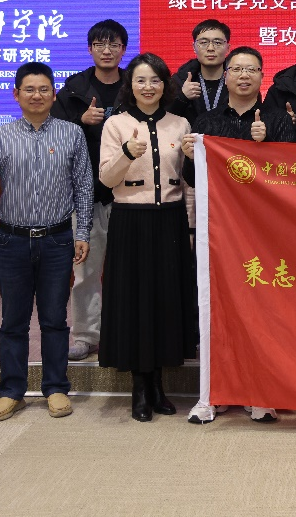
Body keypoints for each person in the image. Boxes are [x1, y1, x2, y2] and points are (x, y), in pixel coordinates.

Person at [0, 61, 92, 423]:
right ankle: (12, 392)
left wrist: (82, 233)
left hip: (57, 240)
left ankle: (55, 388)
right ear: (16, 94)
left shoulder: (71, 133)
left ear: (53, 94)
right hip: (13, 241)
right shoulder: (0, 136)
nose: (37, 95)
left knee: (54, 319)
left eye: (43, 89)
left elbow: (84, 187)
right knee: (13, 320)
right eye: (29, 89)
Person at [181, 46, 296, 425]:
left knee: (265, 312)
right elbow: (192, 178)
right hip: (220, 234)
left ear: (262, 76)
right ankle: (212, 394)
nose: (244, 76)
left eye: (252, 70)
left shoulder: (278, 120)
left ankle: (258, 393)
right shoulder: (207, 121)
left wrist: (268, 145)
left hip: (266, 234)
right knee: (217, 309)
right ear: (226, 76)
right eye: (238, 69)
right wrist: (190, 156)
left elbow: (292, 175)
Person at [98, 53, 197, 422]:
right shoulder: (116, 124)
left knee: (165, 302)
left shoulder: (180, 123)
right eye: (141, 80)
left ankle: (158, 385)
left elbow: (188, 182)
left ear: (165, 84)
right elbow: (106, 179)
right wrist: (126, 153)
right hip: (130, 221)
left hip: (170, 220)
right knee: (135, 302)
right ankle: (139, 388)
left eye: (155, 80)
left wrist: (191, 159)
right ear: (131, 85)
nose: (148, 87)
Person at [50, 19, 128, 362]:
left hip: (129, 194)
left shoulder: (136, 85)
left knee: (130, 270)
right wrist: (79, 122)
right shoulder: (73, 89)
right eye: (100, 44)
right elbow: (51, 133)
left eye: (113, 44)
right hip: (86, 195)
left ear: (123, 50)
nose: (106, 50)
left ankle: (126, 332)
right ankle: (85, 335)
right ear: (90, 49)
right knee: (85, 271)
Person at [169, 19, 231, 124]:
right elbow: (164, 121)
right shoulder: (179, 81)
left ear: (228, 48)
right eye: (203, 43)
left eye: (217, 43)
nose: (210, 48)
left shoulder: (238, 81)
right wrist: (182, 97)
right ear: (194, 47)